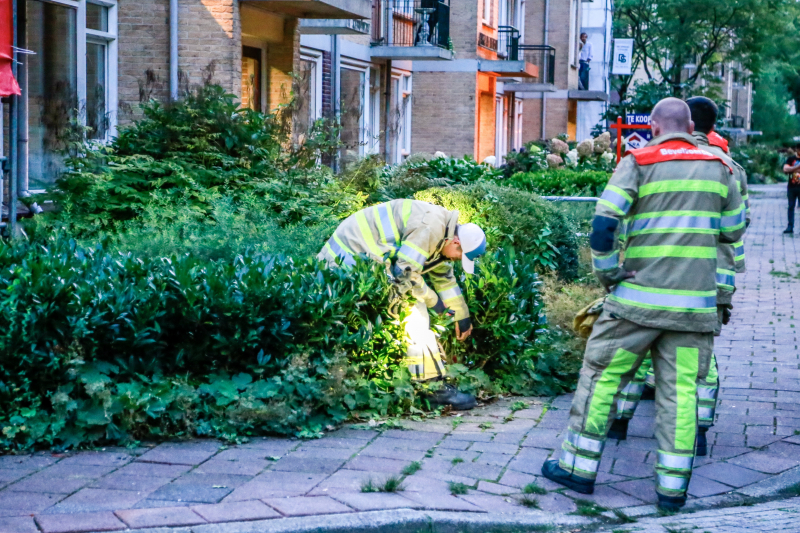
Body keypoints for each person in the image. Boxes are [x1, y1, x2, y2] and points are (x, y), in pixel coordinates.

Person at [540, 98, 745, 511]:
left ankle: (578, 469)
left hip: (634, 306)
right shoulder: (721, 169)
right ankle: (672, 490)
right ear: (689, 127)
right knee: (681, 394)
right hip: (692, 312)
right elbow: (732, 231)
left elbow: (603, 222)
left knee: (602, 379)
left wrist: (608, 273)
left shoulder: (639, 161)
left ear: (653, 126)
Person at [606, 97, 750, 458]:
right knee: (700, 364)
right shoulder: (729, 168)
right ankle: (698, 433)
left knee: (635, 354)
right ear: (711, 128)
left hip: (658, 275)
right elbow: (736, 231)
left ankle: (620, 422)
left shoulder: (654, 163)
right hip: (711, 283)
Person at [318, 199, 487, 410]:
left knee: (413, 302)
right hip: (347, 259)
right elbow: (405, 273)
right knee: (415, 311)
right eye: (460, 256)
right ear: (456, 243)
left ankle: (423, 380)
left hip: (361, 256)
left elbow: (444, 278)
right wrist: (434, 303)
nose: (457, 260)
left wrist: (462, 316)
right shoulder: (431, 227)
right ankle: (432, 389)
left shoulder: (443, 232)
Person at [783, 148, 800, 234]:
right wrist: (797, 167)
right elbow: (785, 169)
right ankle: (790, 226)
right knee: (791, 207)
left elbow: (789, 169)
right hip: (792, 187)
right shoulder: (791, 159)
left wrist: (792, 169)